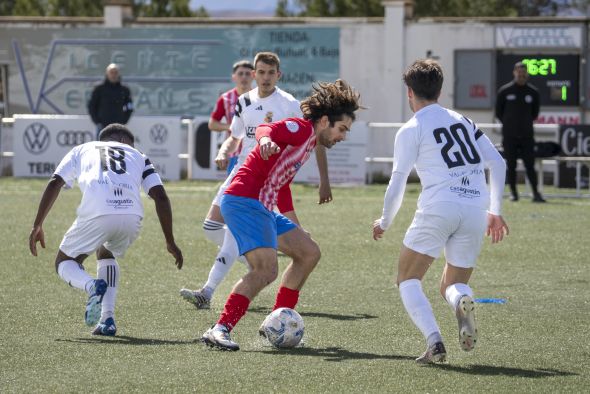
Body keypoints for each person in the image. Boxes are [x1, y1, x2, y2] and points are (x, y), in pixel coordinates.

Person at [201, 79, 361, 351]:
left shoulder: (309, 142)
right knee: (265, 270)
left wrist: (296, 227)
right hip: (243, 200)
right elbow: (266, 128)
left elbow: (282, 185)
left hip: (260, 205)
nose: (343, 136)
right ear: (324, 121)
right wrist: (263, 141)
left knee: (309, 252)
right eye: (342, 129)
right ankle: (220, 328)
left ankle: (275, 321)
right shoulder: (300, 129)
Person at [372, 59, 509, 364]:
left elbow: (398, 180)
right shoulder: (464, 121)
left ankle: (434, 342)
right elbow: (498, 163)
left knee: (407, 278)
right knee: (451, 285)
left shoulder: (412, 128)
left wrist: (385, 221)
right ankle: (461, 298)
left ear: (409, 92)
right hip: (475, 208)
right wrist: (495, 210)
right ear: (440, 89)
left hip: (439, 207)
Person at [180, 52, 333, 309]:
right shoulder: (244, 101)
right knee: (211, 227)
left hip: (264, 179)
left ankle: (207, 292)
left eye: (270, 73)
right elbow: (236, 135)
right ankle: (259, 251)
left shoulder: (288, 104)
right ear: (254, 74)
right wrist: (223, 151)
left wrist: (324, 179)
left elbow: (314, 138)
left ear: (278, 75)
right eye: (261, 72)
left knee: (231, 236)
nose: (265, 78)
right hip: (240, 171)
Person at [29, 123, 183, 336]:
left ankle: (91, 285)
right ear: (122, 141)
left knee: (64, 262)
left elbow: (56, 182)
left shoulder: (82, 149)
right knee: (106, 252)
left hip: (98, 212)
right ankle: (107, 319)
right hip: (131, 217)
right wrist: (170, 240)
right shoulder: (138, 155)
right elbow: (160, 196)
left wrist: (37, 224)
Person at [495, 61, 545, 203]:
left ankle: (536, 194)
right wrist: (510, 124)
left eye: (524, 73)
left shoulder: (533, 92)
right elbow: (499, 112)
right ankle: (514, 194)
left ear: (527, 74)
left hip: (527, 136)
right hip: (510, 136)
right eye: (519, 72)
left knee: (530, 165)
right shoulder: (504, 91)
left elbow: (535, 114)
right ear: (514, 73)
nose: (521, 75)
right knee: (511, 165)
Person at [208, 60, 254, 175]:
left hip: (255, 153)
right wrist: (232, 127)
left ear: (253, 76)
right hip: (235, 153)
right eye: (240, 73)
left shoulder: (260, 97)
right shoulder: (226, 98)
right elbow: (212, 124)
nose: (244, 77)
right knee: (234, 189)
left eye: (247, 74)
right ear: (234, 77)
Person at [88, 64, 134, 139]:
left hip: (119, 127)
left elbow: (130, 106)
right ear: (107, 74)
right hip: (102, 126)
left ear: (118, 74)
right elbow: (92, 106)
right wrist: (97, 121)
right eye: (111, 72)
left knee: (118, 148)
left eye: (115, 72)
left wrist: (125, 120)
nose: (113, 75)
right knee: (101, 149)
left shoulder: (124, 90)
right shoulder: (99, 89)